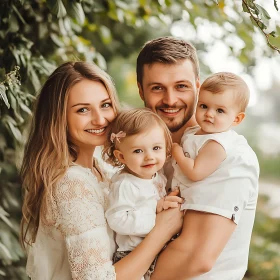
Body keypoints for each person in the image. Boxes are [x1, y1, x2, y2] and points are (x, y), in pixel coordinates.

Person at [20, 61, 183, 280]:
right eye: (83, 109)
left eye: (105, 105)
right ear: (58, 117)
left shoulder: (104, 166)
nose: (100, 119)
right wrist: (162, 231)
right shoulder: (71, 183)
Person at [136, 37, 259, 280]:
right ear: (141, 90)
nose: (170, 100)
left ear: (197, 86)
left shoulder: (227, 156)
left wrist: (126, 273)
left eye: (181, 86)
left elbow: (197, 258)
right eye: (157, 87)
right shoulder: (145, 149)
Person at [103, 108, 183, 279]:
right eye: (138, 151)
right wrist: (156, 216)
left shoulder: (157, 176)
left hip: (154, 248)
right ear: (122, 157)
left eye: (156, 148)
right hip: (132, 254)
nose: (149, 157)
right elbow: (117, 219)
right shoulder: (125, 184)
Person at [172, 72, 251, 188]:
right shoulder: (192, 131)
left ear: (237, 119)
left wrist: (176, 152)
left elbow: (195, 173)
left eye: (220, 110)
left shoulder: (216, 144)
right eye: (204, 106)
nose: (209, 114)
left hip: (196, 201)